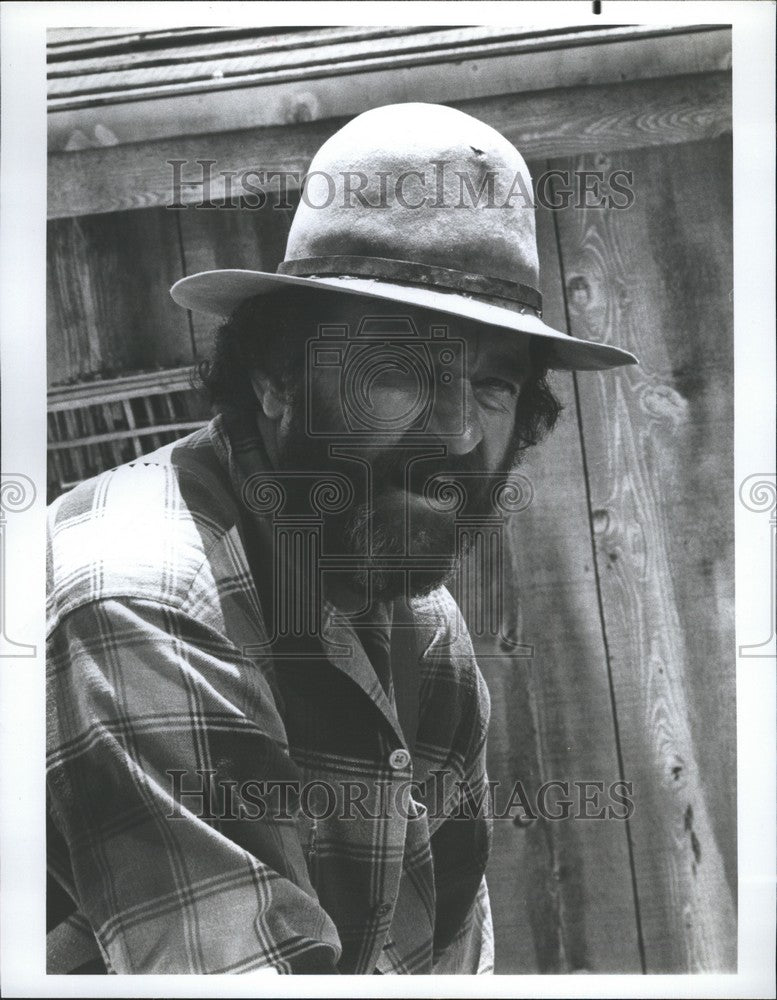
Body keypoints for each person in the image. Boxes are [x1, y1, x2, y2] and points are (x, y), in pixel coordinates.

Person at [46, 103, 636, 975]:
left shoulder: (424, 635)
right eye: (398, 373)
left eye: (490, 388)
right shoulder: (140, 590)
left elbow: (445, 960)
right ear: (275, 381)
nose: (457, 436)